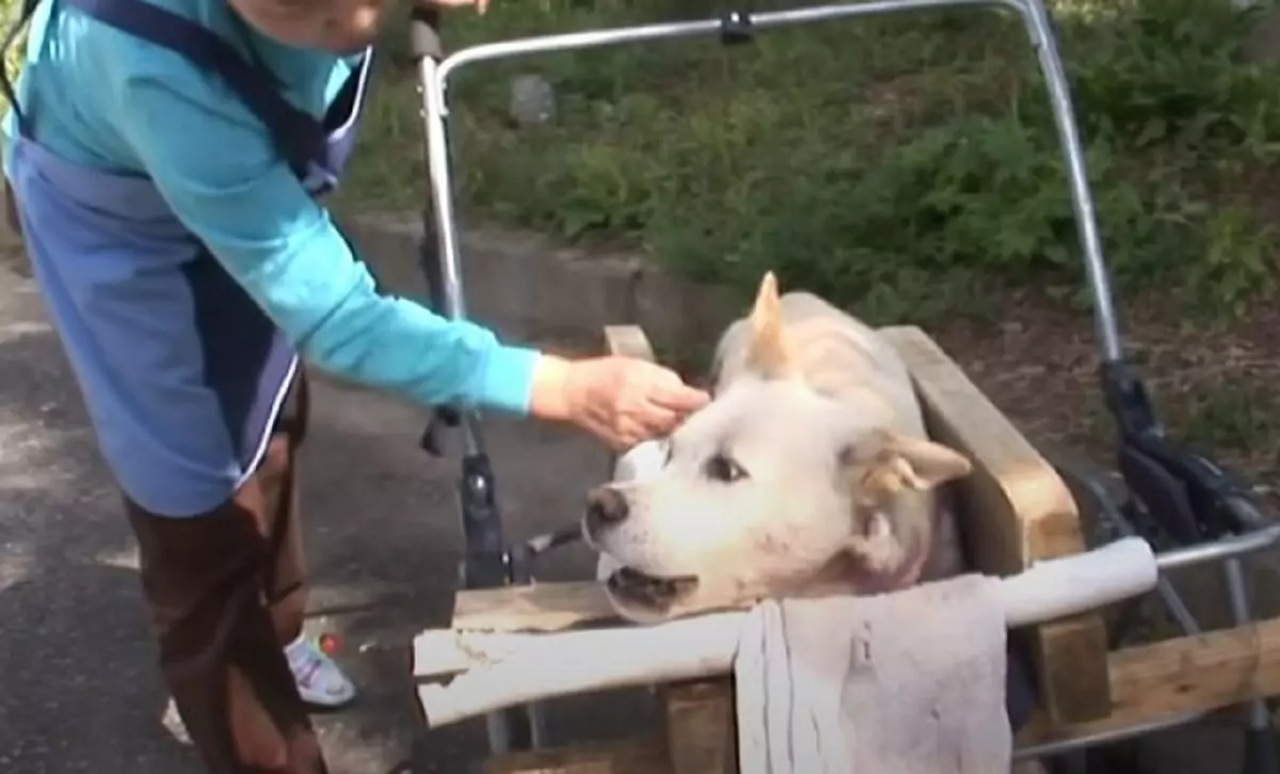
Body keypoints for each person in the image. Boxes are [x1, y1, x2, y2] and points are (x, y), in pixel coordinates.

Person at [0, 0, 710, 768]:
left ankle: (278, 629)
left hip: (242, 190)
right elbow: (339, 316)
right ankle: (253, 718)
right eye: (307, 8)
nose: (353, 24)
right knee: (193, 503)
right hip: (122, 230)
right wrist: (561, 388)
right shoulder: (145, 59)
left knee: (268, 411)